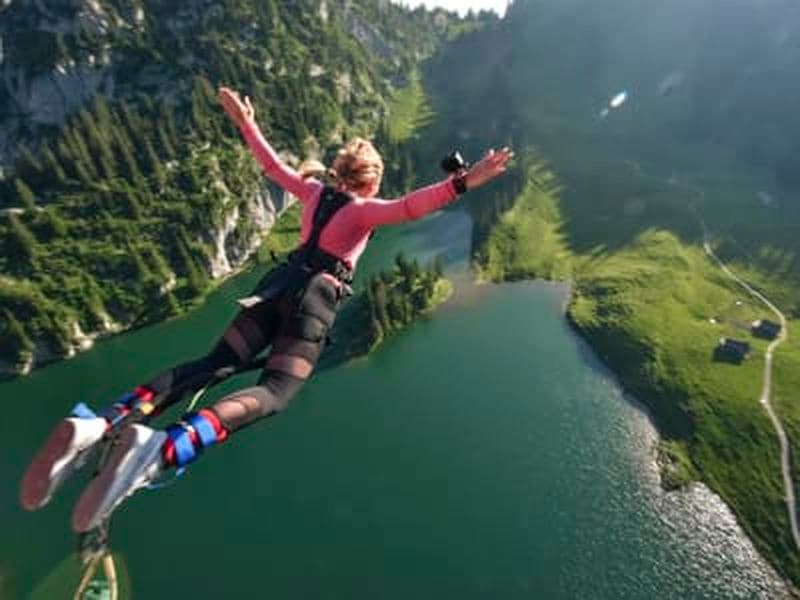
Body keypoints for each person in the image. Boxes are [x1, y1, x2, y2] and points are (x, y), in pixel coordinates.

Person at [20, 87, 514, 533]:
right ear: (370, 181)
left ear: (339, 171)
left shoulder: (313, 192)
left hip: (273, 288)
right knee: (275, 391)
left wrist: (244, 121)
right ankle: (163, 448)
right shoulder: (364, 210)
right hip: (313, 301)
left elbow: (272, 166)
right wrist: (465, 182)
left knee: (210, 365)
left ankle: (102, 423)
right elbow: (410, 207)